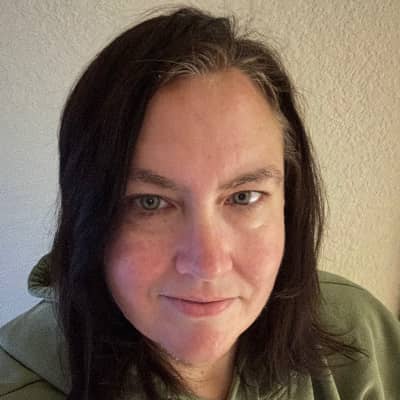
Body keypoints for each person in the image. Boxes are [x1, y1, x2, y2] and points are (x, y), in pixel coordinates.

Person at [0, 6, 399, 400]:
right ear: (87, 214)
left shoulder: (359, 335)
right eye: (151, 203)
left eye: (243, 197)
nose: (208, 264)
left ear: (289, 203)